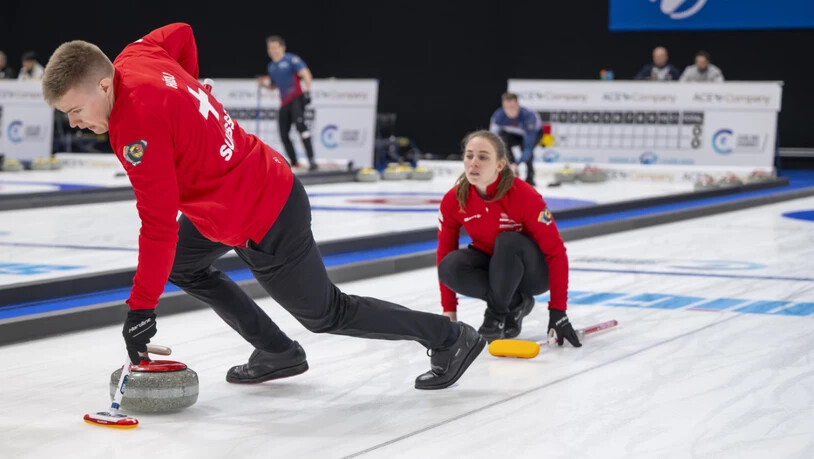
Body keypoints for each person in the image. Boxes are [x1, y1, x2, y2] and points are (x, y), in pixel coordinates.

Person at [41, 23, 484, 391]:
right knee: (183, 265)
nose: (74, 122)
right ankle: (277, 350)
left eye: (76, 109)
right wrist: (193, 95)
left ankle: (450, 337)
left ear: (104, 84)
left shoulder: (134, 130)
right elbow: (181, 32)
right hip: (243, 193)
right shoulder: (135, 57)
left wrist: (140, 310)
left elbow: (158, 227)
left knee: (328, 312)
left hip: (266, 216)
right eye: (67, 114)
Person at [436, 130, 581, 346]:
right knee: (449, 266)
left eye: (483, 157)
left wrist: (558, 310)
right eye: (469, 156)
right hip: (495, 266)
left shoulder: (524, 196)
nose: (474, 163)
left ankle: (495, 317)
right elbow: (444, 251)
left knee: (508, 241)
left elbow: (556, 253)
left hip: (533, 273)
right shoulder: (454, 199)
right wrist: (449, 314)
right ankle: (516, 304)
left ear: (500, 165)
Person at [257, 35, 317, 171]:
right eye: (270, 48)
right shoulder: (271, 67)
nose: (272, 50)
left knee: (301, 127)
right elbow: (273, 85)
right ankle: (294, 162)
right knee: (283, 133)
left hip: (296, 98)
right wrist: (263, 84)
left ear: (282, 48)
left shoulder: (291, 59)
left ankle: (312, 160)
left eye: (275, 47)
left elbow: (306, 74)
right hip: (284, 103)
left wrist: (307, 92)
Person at [489, 93, 542, 187]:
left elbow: (527, 149)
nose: (509, 110)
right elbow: (491, 139)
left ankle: (530, 177)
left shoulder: (528, 117)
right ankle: (512, 173)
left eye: (512, 107)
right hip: (513, 135)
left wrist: (517, 163)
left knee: (527, 154)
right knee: (501, 142)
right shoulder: (498, 116)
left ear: (517, 104)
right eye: (506, 107)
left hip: (532, 134)